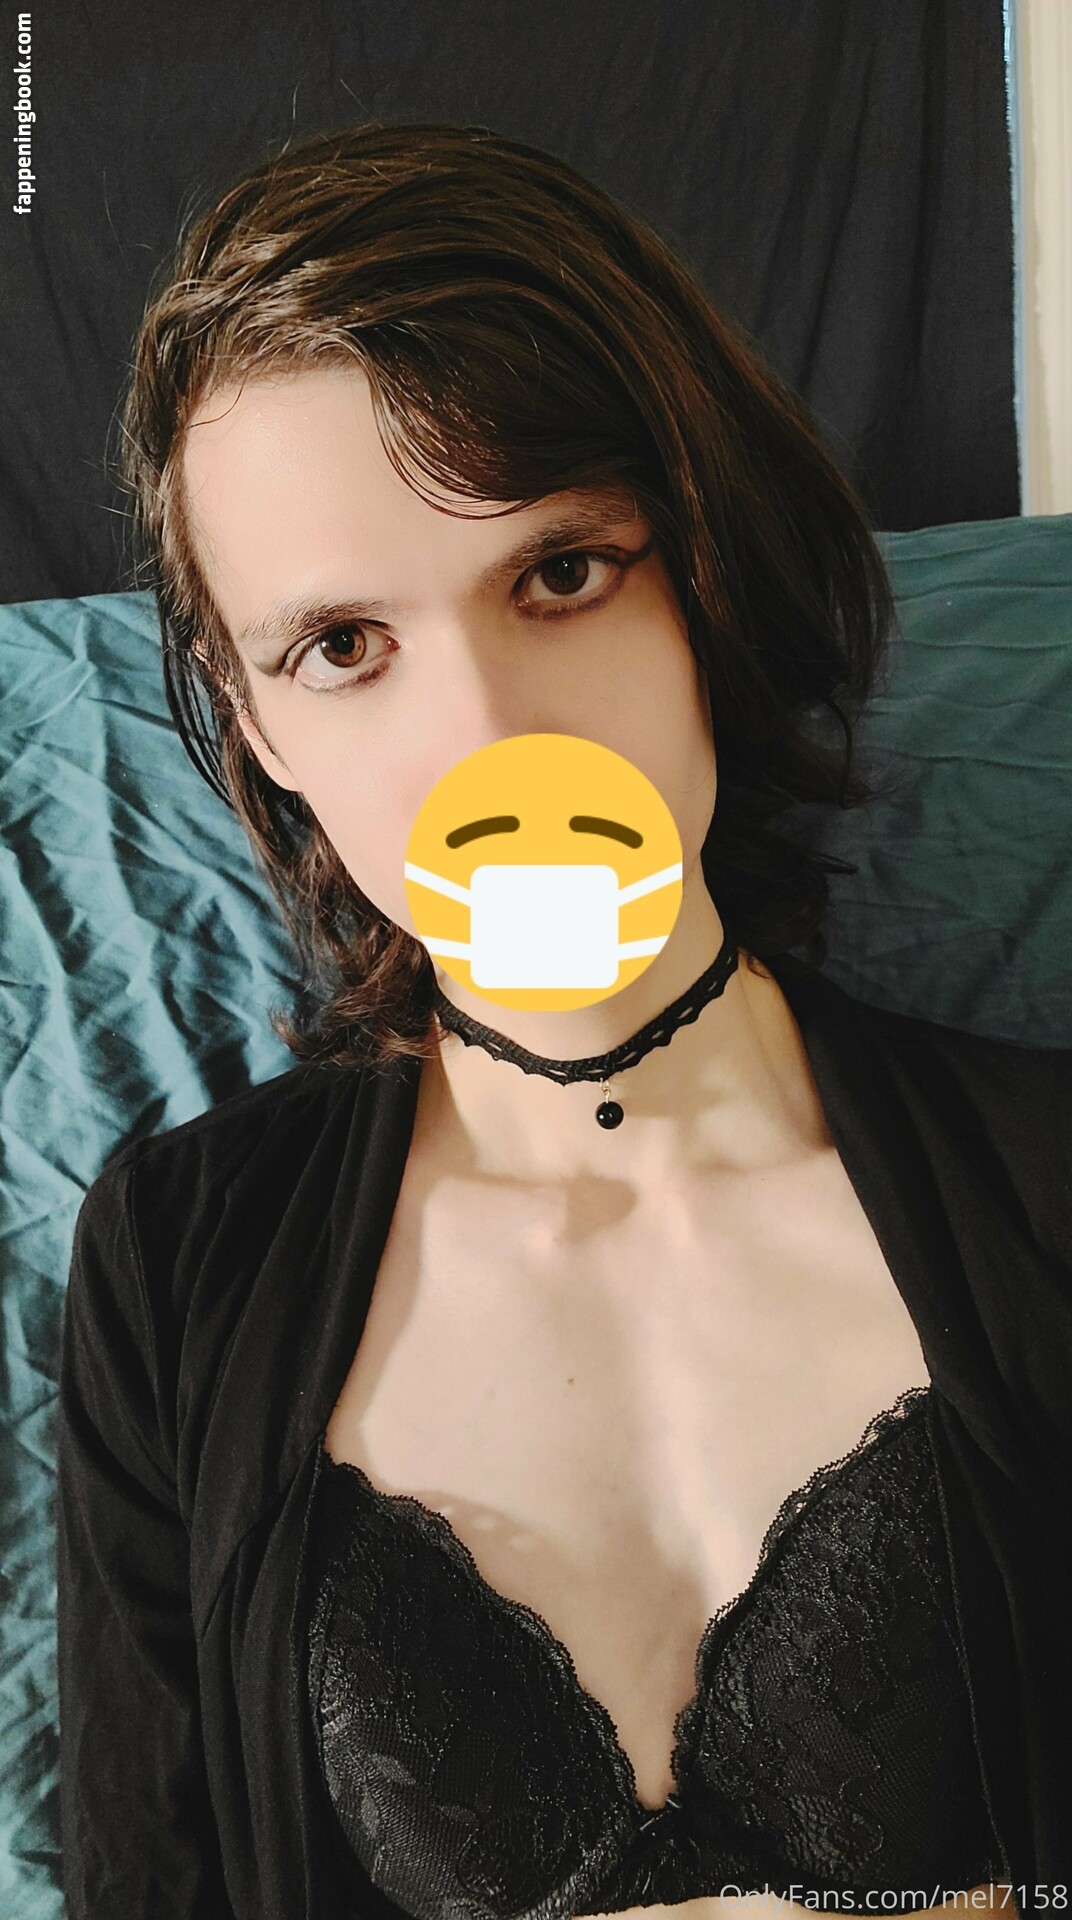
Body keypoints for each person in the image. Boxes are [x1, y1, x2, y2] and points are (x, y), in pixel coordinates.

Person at [55, 122, 1071, 1920]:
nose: (491, 742)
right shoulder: (178, 1264)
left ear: (705, 572)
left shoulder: (1051, 1179)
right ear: (257, 721)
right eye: (344, 646)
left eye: (561, 574)